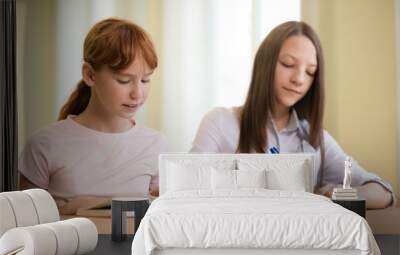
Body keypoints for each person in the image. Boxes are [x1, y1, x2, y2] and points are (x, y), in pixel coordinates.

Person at [190, 21, 394, 209]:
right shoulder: (220, 123)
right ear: (265, 64)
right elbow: (187, 187)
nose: (299, 79)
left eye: (310, 72)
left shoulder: (315, 139)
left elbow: (384, 192)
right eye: (288, 64)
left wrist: (333, 197)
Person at [19, 18, 167, 214]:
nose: (137, 94)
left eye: (145, 80)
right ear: (90, 75)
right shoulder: (45, 144)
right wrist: (72, 208)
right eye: (124, 81)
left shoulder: (155, 144)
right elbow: (21, 221)